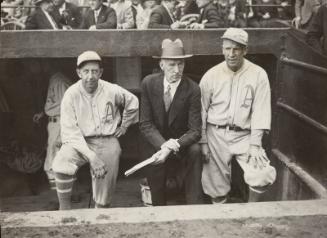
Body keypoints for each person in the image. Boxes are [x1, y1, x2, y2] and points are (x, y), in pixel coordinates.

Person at [52, 51, 139, 210]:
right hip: (79, 141)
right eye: (86, 71)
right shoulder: (71, 94)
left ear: (100, 72)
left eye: (94, 71)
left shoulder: (112, 90)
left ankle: (100, 210)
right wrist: (92, 157)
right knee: (61, 161)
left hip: (107, 139)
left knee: (104, 188)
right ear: (79, 73)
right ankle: (64, 209)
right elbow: (70, 133)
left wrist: (125, 125)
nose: (90, 76)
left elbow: (133, 102)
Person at [200, 28, 276, 204]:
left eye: (236, 49)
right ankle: (222, 221)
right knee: (215, 187)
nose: (231, 54)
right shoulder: (211, 75)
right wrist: (203, 142)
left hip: (245, 135)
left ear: (245, 50)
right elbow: (201, 111)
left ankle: (251, 213)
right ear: (222, 49)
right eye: (227, 48)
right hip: (215, 134)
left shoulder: (258, 74)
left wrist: (256, 144)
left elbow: (261, 110)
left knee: (261, 173)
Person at [139, 39, 203, 206]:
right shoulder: (148, 83)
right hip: (156, 143)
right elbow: (145, 124)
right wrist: (163, 146)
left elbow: (195, 131)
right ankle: (159, 207)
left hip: (180, 145)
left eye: (180, 64)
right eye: (171, 65)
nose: (177, 70)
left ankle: (194, 205)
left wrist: (173, 146)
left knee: (195, 150)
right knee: (152, 152)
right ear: (161, 65)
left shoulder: (193, 89)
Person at [32, 67, 72, 190]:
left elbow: (68, 107)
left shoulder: (59, 80)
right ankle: (60, 194)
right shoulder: (54, 79)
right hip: (54, 123)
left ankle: (62, 195)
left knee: (56, 158)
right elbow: (57, 104)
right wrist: (43, 113)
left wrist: (62, 134)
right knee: (53, 157)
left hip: (59, 124)